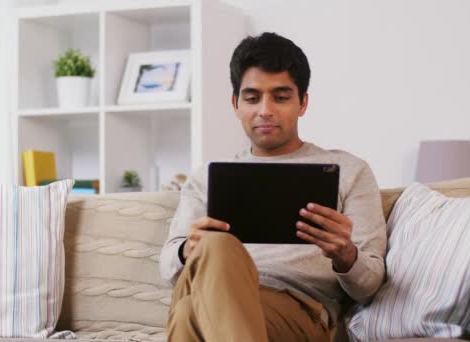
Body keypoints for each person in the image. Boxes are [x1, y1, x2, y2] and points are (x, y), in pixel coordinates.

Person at [159, 32, 386, 342]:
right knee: (216, 248)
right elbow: (170, 268)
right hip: (209, 291)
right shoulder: (206, 178)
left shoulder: (350, 171)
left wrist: (345, 254)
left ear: (303, 102)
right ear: (235, 103)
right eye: (252, 98)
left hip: (300, 309)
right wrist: (190, 249)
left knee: (188, 314)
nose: (265, 110)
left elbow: (370, 285)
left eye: (280, 97)